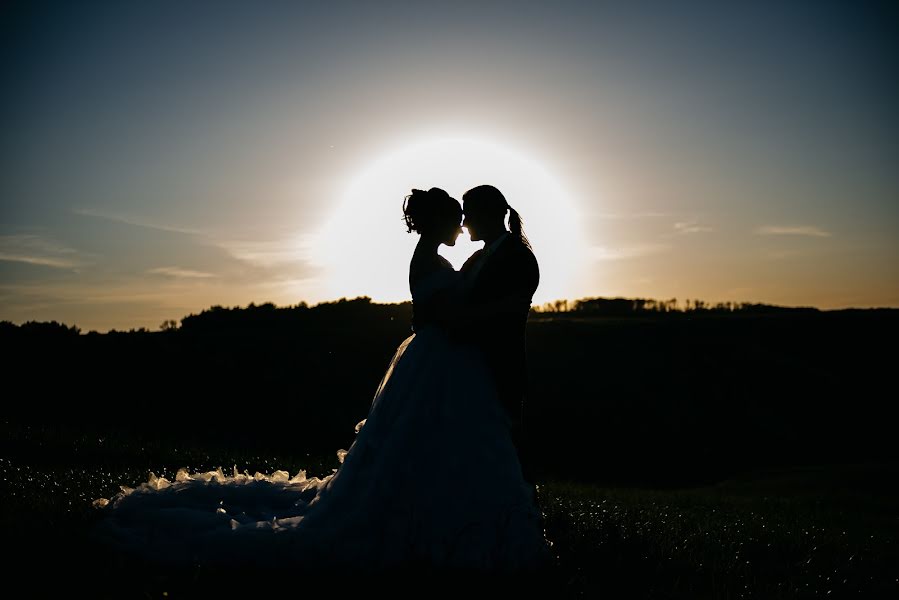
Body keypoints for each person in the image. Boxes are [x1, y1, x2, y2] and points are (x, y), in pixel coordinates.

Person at [90, 187, 551, 584]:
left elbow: (489, 307)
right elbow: (435, 313)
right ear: (446, 222)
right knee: (424, 443)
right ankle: (439, 519)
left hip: (454, 363)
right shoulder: (436, 261)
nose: (464, 224)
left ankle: (469, 514)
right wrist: (456, 320)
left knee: (456, 441)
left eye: (469, 215)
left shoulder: (489, 256)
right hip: (438, 363)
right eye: (460, 216)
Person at [457, 184, 540, 487]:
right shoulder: (476, 259)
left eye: (468, 215)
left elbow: (509, 311)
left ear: (490, 215)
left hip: (500, 365)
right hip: (470, 364)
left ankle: (521, 515)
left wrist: (461, 321)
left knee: (505, 442)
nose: (463, 223)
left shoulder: (519, 257)